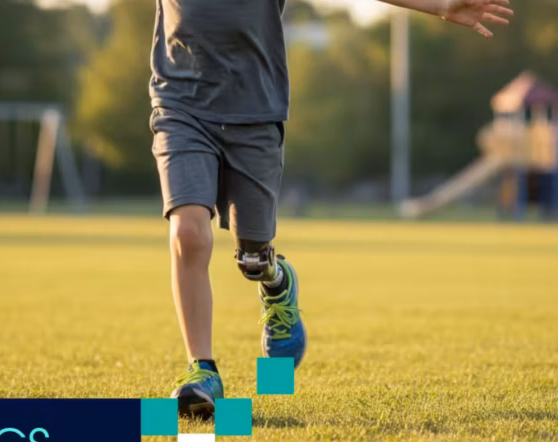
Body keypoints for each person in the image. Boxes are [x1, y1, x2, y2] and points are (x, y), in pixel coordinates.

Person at [149, 0, 514, 418]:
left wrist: (440, 5)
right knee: (189, 234)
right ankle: (202, 371)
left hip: (255, 113)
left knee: (252, 257)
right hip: (180, 107)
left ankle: (276, 282)